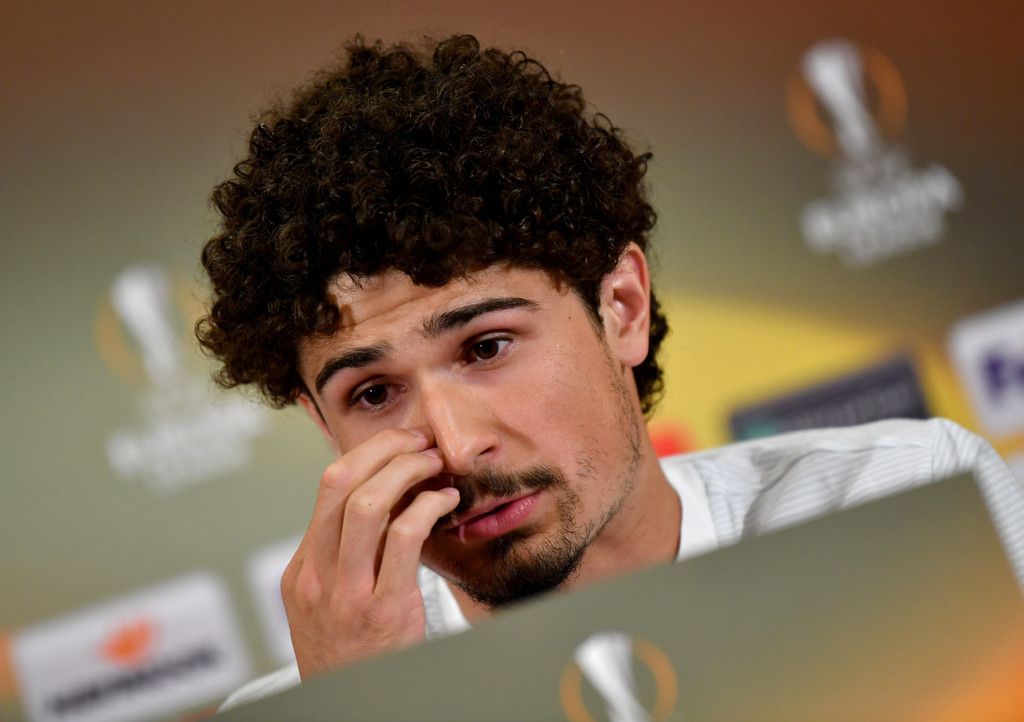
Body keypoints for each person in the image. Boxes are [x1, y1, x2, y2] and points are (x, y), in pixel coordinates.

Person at [197, 34, 1024, 708]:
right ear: (323, 424)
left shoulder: (911, 502)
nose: (456, 445)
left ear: (621, 307)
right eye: (374, 394)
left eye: (486, 347)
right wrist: (369, 708)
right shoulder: (321, 705)